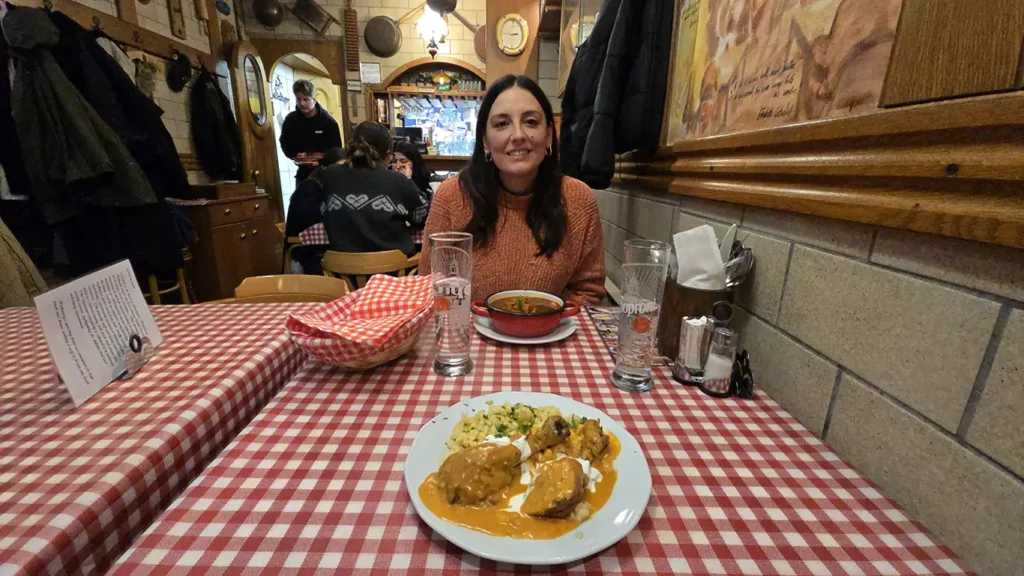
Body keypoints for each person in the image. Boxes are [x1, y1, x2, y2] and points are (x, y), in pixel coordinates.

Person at [421, 75, 605, 306]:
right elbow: (431, 286)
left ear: (548, 135)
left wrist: (540, 323)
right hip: (472, 337)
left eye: (530, 121)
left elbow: (588, 291)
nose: (518, 135)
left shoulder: (579, 199)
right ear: (485, 142)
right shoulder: (451, 197)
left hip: (549, 336)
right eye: (501, 124)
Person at [320, 122, 428, 257]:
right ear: (388, 154)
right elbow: (423, 218)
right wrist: (409, 182)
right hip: (394, 272)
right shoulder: (397, 180)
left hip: (340, 272)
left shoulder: (330, 175)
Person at [284, 147, 345, 274]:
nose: (342, 173)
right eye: (338, 168)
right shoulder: (309, 188)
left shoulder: (325, 184)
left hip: (321, 247)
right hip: (305, 252)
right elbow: (316, 220)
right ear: (325, 169)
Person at [279, 80, 342, 182]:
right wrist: (294, 155)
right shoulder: (291, 120)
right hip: (303, 174)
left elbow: (336, 150)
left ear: (314, 100)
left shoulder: (328, 122)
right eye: (299, 99)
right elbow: (285, 142)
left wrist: (321, 162)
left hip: (325, 173)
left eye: (306, 99)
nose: (302, 104)